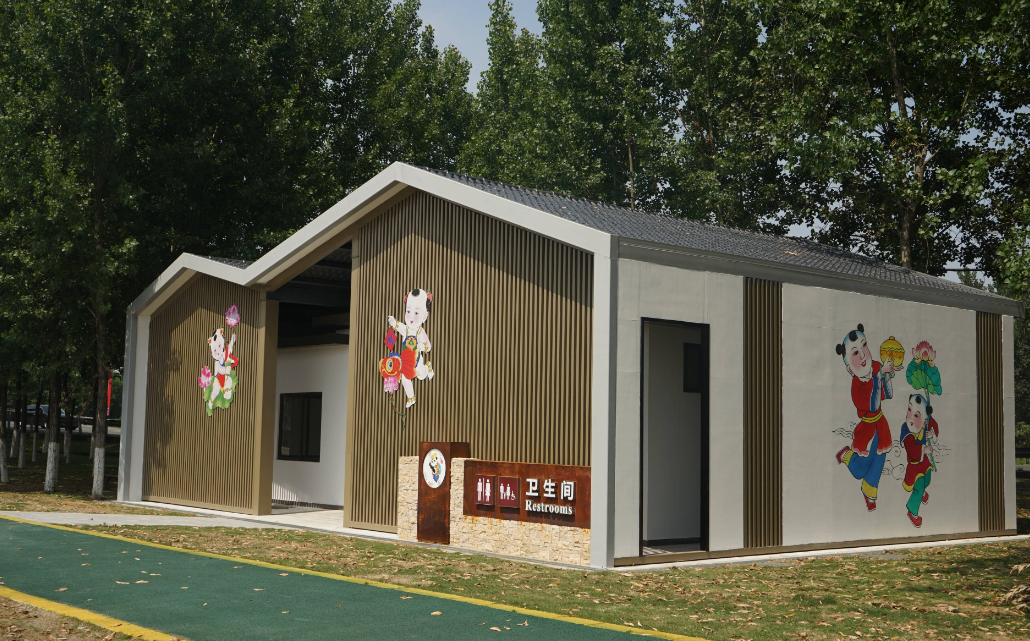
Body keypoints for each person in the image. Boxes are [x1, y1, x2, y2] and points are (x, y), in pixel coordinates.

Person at [834, 324, 901, 511]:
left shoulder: (876, 367)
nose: (863, 354)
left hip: (880, 422)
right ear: (849, 369)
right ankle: (847, 455)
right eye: (855, 353)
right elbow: (871, 404)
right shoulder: (856, 386)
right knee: (861, 468)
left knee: (879, 458)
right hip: (867, 426)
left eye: (864, 346)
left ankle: (869, 490)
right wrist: (880, 375)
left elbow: (886, 394)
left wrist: (888, 374)